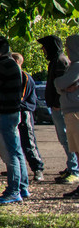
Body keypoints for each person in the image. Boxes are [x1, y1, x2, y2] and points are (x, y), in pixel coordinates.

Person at [0, 36, 31, 204]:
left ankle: (13, 190)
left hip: (2, 113)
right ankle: (23, 187)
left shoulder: (1, 66)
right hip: (12, 113)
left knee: (10, 154)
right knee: (16, 151)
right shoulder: (13, 65)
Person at [39, 35, 79, 184]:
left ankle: (74, 169)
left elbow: (62, 83)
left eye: (44, 47)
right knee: (66, 140)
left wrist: (58, 99)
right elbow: (60, 84)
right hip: (61, 105)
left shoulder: (62, 61)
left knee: (69, 140)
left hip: (63, 107)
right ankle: (71, 167)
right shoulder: (58, 61)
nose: (42, 50)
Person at [10, 53, 46, 182]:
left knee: (28, 141)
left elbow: (20, 97)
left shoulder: (24, 77)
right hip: (12, 112)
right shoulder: (11, 77)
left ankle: (37, 168)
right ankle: (18, 167)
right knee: (14, 142)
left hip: (24, 112)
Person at [54, 34, 79, 199]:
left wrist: (61, 85)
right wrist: (62, 86)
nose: (68, 51)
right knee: (75, 149)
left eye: (69, 47)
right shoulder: (73, 66)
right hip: (69, 110)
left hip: (76, 111)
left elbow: (59, 83)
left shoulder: (77, 66)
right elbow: (60, 85)